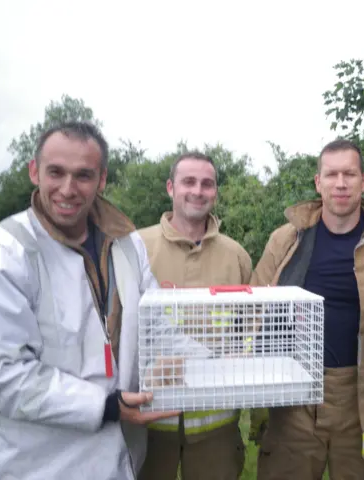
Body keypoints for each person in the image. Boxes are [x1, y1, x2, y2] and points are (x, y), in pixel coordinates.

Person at [0, 121, 179, 480]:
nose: (68, 189)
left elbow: (156, 323)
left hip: (121, 458)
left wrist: (206, 362)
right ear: (34, 171)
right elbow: (0, 374)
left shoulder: (127, 244)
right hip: (38, 466)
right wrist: (105, 407)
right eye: (56, 172)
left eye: (83, 176)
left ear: (101, 180)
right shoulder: (0, 254)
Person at [249, 139, 364, 479]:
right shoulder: (286, 240)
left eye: (349, 174)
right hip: (295, 398)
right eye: (331, 174)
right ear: (317, 182)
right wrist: (260, 392)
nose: (340, 183)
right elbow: (256, 313)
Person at [137, 151, 253, 480]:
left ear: (215, 191)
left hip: (217, 426)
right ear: (171, 188)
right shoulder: (136, 248)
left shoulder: (237, 256)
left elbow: (251, 334)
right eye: (189, 181)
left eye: (207, 184)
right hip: (149, 420)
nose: (197, 190)